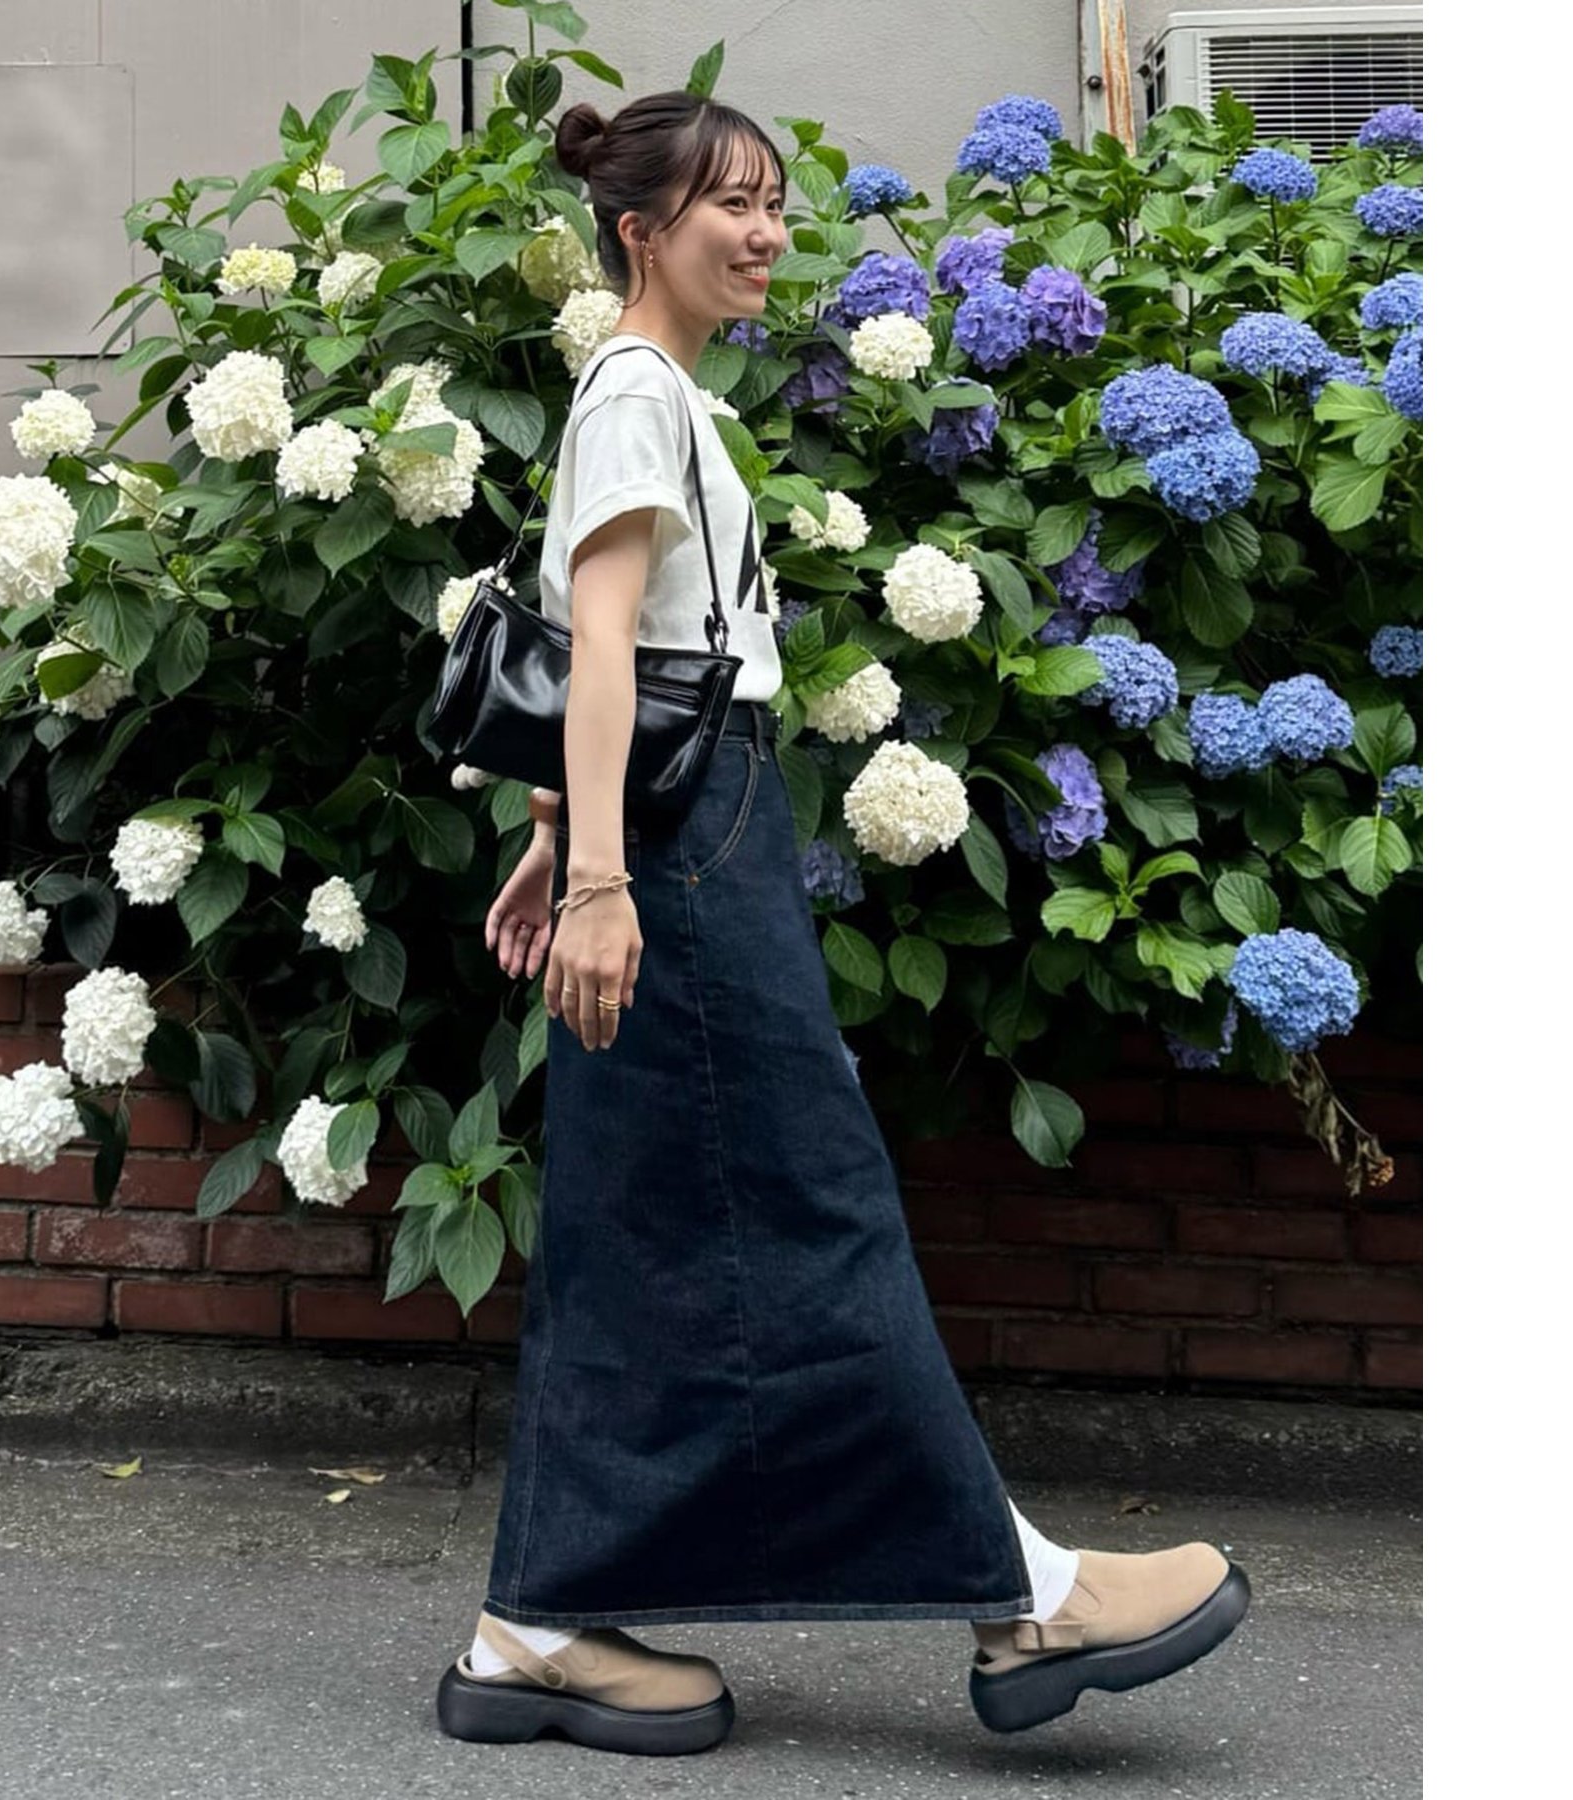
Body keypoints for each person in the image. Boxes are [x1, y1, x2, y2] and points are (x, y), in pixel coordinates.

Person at [434, 90, 1250, 1758]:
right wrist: (598, 877)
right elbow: (603, 643)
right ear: (640, 230)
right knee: (816, 1204)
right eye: (730, 205)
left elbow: (625, 647)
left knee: (639, 1226)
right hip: (686, 849)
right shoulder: (636, 394)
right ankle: (1020, 1595)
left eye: (776, 204)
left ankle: (535, 1626)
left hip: (683, 825)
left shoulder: (655, 397)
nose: (767, 233)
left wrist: (556, 833)